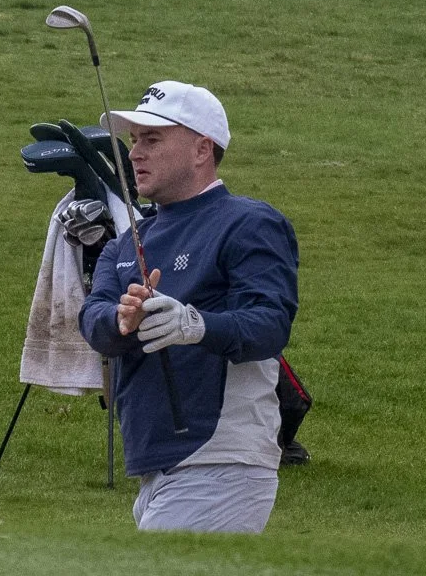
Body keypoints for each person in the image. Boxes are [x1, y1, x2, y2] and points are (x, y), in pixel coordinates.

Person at [79, 81, 299, 534]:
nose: (135, 153)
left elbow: (270, 324)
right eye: (135, 140)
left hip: (221, 459)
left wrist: (194, 324)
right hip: (153, 465)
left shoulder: (249, 222)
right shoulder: (124, 243)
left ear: (202, 149)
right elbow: (92, 316)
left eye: (153, 139)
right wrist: (122, 320)